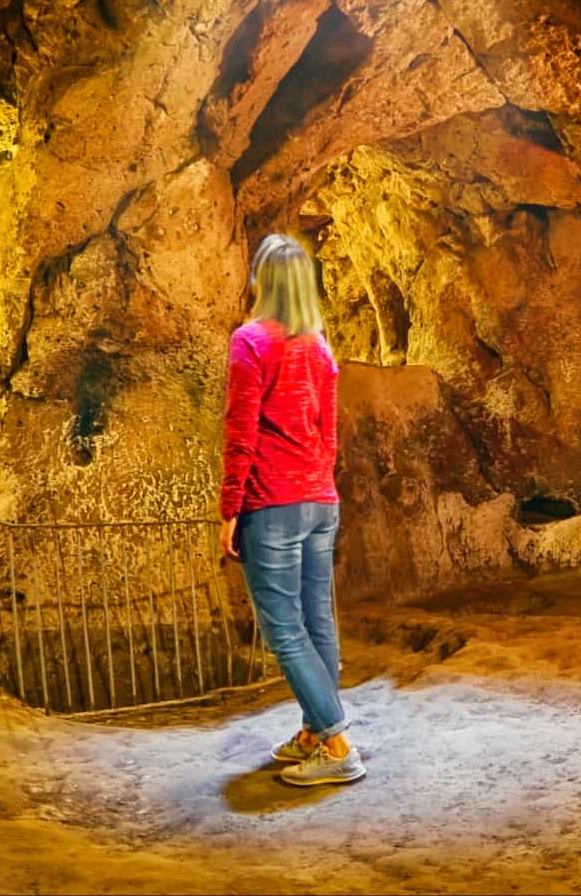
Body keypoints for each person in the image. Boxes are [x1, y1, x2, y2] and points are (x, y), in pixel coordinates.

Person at [219, 232, 363, 787]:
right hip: (319, 500)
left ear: (262, 282)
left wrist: (230, 508)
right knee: (318, 619)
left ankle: (337, 743)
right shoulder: (320, 348)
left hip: (272, 502)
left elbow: (241, 432)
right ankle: (312, 730)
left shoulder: (251, 342)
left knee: (283, 629)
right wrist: (317, 485)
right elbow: (329, 435)